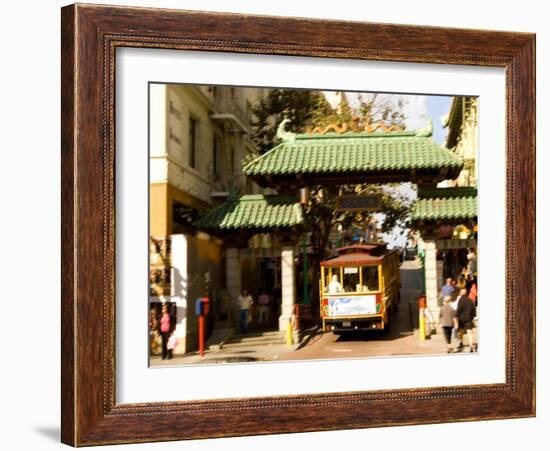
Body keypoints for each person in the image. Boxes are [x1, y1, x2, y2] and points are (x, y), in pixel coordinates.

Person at [454, 288, 476, 352]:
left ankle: (461, 343)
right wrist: (472, 317)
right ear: (466, 293)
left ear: (461, 293)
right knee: (469, 332)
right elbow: (473, 309)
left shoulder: (460, 300)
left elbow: (459, 309)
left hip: (461, 319)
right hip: (468, 318)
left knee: (461, 332)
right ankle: (471, 345)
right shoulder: (470, 300)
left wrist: (456, 316)